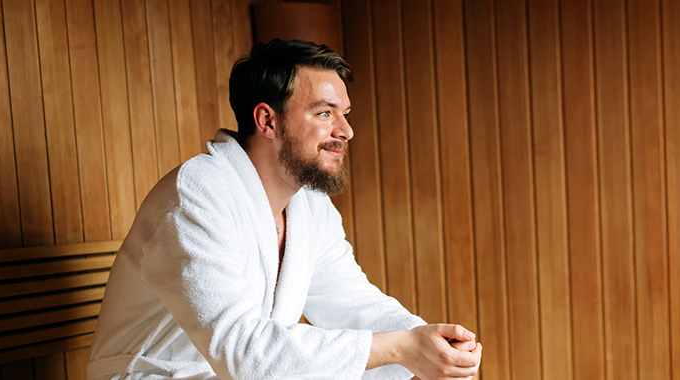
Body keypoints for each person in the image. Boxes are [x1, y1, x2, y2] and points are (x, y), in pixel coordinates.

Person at [86, 39, 482, 380]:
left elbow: (352, 303)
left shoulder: (310, 205)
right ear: (267, 120)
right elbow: (242, 351)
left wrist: (431, 342)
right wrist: (400, 348)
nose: (345, 131)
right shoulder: (198, 194)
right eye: (325, 113)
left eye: (345, 114)